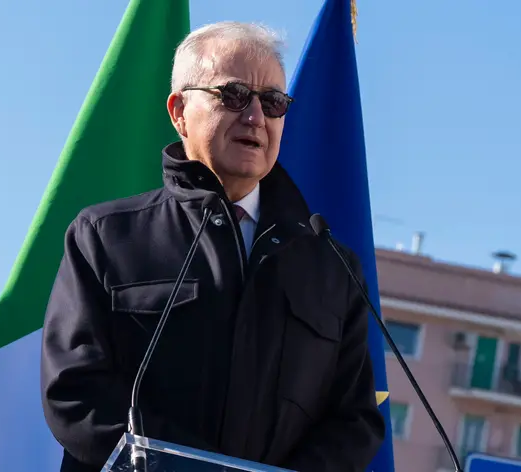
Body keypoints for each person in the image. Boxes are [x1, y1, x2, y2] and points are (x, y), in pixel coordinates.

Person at [40, 21, 386, 472]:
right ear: (179, 111)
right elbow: (76, 392)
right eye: (234, 95)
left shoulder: (333, 266)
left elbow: (354, 421)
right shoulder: (106, 237)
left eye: (272, 102)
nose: (255, 117)